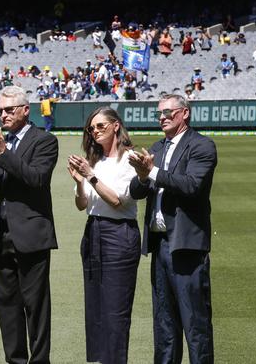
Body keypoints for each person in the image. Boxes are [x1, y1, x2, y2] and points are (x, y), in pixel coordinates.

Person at [128, 94, 217, 364]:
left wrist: (151, 172)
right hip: (160, 246)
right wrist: (143, 176)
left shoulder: (201, 145)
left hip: (187, 247)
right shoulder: (157, 147)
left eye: (168, 112)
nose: (162, 117)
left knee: (195, 324)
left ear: (184, 113)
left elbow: (191, 186)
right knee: (164, 325)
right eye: (159, 113)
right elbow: (135, 190)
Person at [0, 86, 59, 364]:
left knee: (36, 307)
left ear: (25, 110)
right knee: (8, 309)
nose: (3, 114)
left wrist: (3, 152)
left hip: (31, 236)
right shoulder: (0, 141)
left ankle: (40, 361)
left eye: (9, 109)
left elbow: (36, 178)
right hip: (0, 237)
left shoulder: (44, 140)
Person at [67, 107, 140, 364]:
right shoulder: (95, 160)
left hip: (119, 234)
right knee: (95, 308)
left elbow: (118, 201)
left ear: (116, 126)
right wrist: (79, 182)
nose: (95, 132)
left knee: (115, 310)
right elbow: (81, 204)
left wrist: (90, 175)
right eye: (92, 128)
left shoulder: (129, 159)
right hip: (93, 231)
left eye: (100, 126)